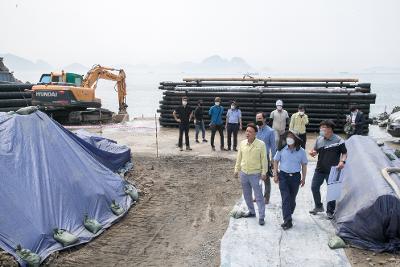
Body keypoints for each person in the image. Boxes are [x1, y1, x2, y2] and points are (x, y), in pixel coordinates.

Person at [309, 120, 347, 220]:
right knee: (314, 187)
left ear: (330, 129)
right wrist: (313, 152)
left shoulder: (339, 140)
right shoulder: (319, 139)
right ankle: (318, 206)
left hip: (333, 170)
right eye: (321, 127)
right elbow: (315, 151)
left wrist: (342, 162)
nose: (321, 129)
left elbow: (344, 153)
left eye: (323, 127)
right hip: (320, 169)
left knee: (331, 191)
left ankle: (330, 211)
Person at [273, 131, 308, 230]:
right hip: (283, 176)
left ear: (295, 138)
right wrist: (275, 175)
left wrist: (303, 178)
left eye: (291, 137)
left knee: (292, 199)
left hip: (295, 177)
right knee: (285, 198)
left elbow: (304, 165)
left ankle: (290, 210)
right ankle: (287, 221)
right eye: (287, 137)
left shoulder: (301, 151)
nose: (289, 138)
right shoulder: (282, 149)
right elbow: (275, 161)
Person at [234, 123, 267, 226]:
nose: (247, 133)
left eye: (250, 131)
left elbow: (264, 159)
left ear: (255, 134)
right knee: (247, 195)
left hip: (256, 174)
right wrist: (236, 169)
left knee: (259, 196)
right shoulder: (243, 143)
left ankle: (261, 216)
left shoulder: (261, 144)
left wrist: (264, 172)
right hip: (244, 173)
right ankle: (251, 212)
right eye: (246, 131)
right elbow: (239, 157)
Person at [255, 112, 276, 204]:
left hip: (265, 157)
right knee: (255, 177)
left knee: (265, 178)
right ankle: (257, 196)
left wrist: (273, 160)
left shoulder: (270, 131)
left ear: (264, 119)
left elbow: (273, 147)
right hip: (255, 157)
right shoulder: (255, 130)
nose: (258, 120)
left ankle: (266, 197)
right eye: (257, 118)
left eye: (259, 118)